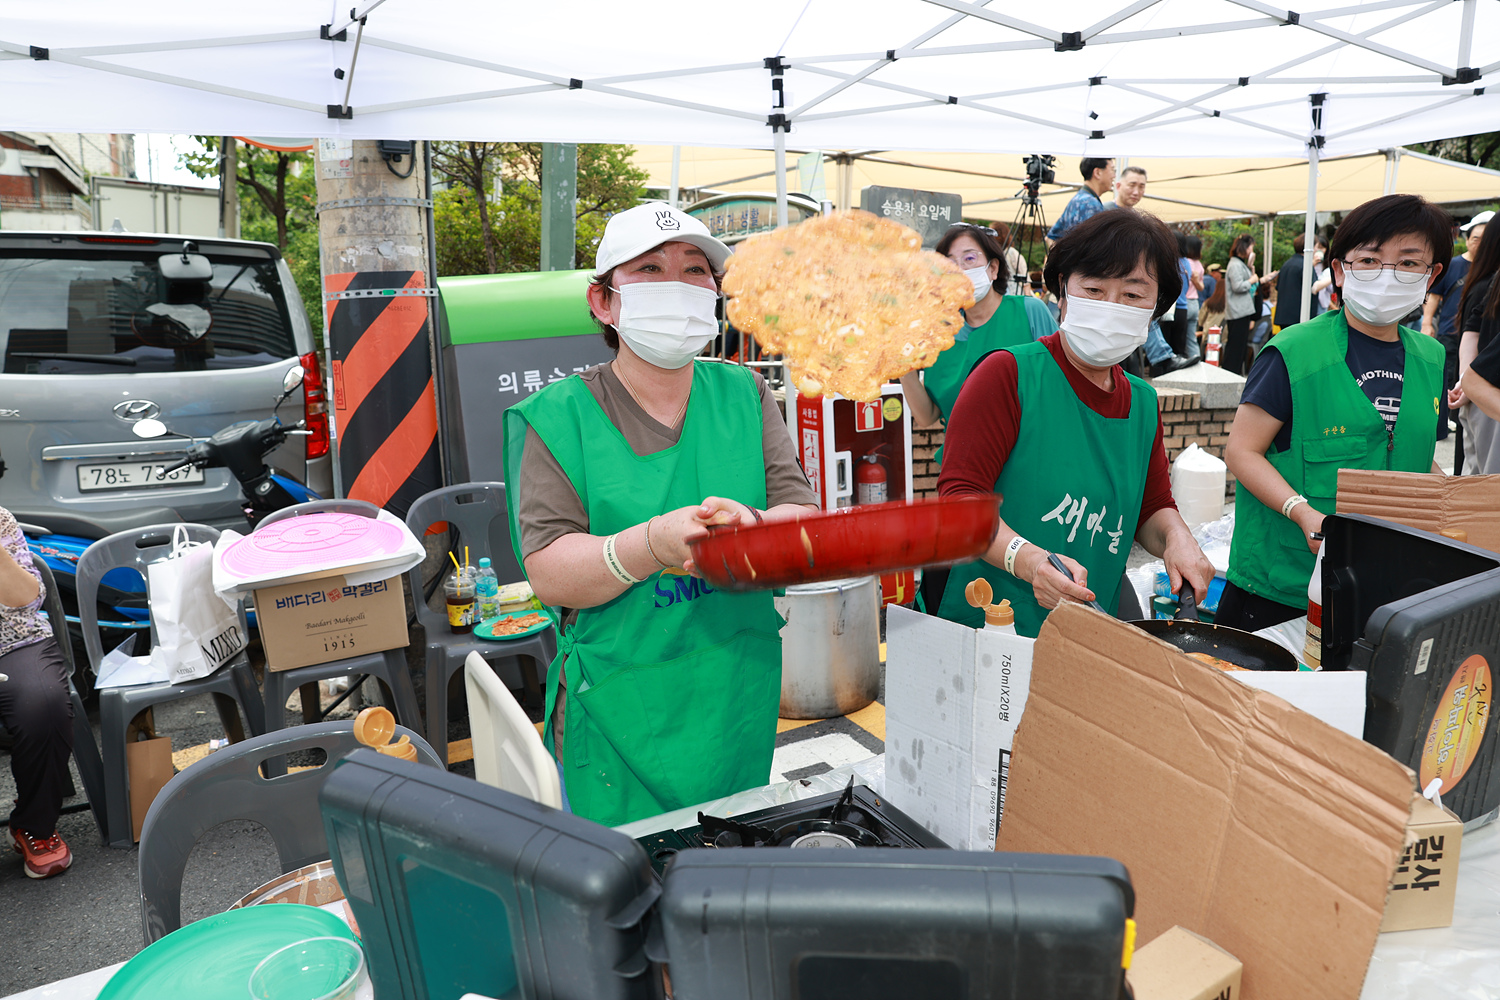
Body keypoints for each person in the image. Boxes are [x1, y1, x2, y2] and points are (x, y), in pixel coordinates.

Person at [500, 202, 818, 826]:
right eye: (650, 268)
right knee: (628, 896)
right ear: (603, 302)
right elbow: (551, 574)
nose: (679, 284)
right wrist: (649, 545)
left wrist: (755, 531)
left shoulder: (745, 394)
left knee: (727, 878)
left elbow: (801, 522)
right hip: (622, 704)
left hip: (733, 691)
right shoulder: (556, 417)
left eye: (697, 270)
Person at [934, 208, 1215, 637]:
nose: (1110, 307)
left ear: (1156, 309)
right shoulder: (1007, 375)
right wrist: (1029, 562)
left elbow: (1152, 507)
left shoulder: (1141, 402)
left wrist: (1178, 538)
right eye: (1094, 289)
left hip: (1085, 632)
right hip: (991, 626)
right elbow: (959, 503)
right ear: (1063, 293)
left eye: (1133, 295)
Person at [1221, 194, 1451, 630]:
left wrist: (1458, 502)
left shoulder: (1433, 358)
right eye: (1369, 260)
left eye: (1408, 263)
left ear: (1431, 274)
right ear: (1341, 271)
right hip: (1283, 587)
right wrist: (1300, 510)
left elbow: (1416, 453)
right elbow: (1241, 452)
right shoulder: (1293, 352)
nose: (1387, 275)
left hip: (1383, 589)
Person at [900, 222, 1058, 433]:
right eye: (950, 264)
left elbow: (1060, 388)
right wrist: (902, 367)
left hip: (1028, 456)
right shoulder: (939, 333)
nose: (960, 270)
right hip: (962, 458)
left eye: (969, 259)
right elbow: (927, 416)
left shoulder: (1030, 312)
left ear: (993, 269)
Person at [0, 506, 74, 879]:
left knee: (43, 704)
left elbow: (27, 600)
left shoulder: (1, 520)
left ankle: (34, 825)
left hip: (14, 641)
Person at [1101, 165, 1190, 376]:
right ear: (1119, 185)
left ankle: (1162, 357)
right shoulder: (1103, 211)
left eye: (1142, 187)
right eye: (1132, 185)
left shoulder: (1136, 218)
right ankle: (1163, 358)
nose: (1137, 191)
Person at [1425, 210, 1489, 455]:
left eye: (1486, 238)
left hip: (1474, 337)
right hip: (1450, 331)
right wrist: (1426, 322)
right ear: (1467, 238)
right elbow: (1435, 296)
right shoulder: (1455, 264)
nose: (1480, 243)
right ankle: (1445, 418)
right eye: (1476, 237)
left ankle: (1456, 415)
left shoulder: (1491, 269)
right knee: (1447, 375)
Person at [1451, 215, 1500, 473]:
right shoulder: (1487, 284)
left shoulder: (1487, 282)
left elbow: (1471, 327)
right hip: (1487, 398)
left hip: (1480, 397)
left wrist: (1465, 379)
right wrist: (1467, 380)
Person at [1045, 157, 1115, 248]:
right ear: (1097, 173)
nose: (1114, 176)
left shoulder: (1077, 199)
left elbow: (1050, 238)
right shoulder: (1091, 204)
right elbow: (1092, 249)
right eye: (1112, 170)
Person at [1222, 234, 1260, 375]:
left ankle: (1233, 374)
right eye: (1251, 246)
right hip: (1238, 311)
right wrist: (1251, 280)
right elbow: (1237, 286)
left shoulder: (1238, 263)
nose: (1252, 250)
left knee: (1238, 347)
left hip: (1240, 311)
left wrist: (1251, 268)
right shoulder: (1235, 264)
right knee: (1235, 348)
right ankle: (1230, 375)